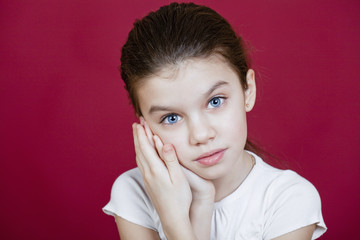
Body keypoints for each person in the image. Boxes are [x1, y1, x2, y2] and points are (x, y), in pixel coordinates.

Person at [103, 2, 326, 239]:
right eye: (171, 117)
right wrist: (198, 206)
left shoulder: (289, 200)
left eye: (215, 101)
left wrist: (177, 226)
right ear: (146, 128)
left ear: (247, 89)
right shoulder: (133, 192)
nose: (200, 135)